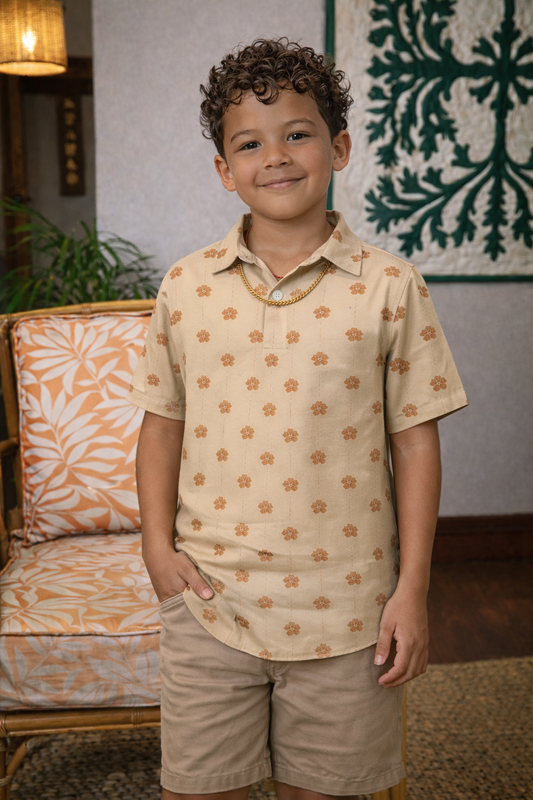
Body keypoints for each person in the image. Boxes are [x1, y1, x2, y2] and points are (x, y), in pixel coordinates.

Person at [129, 38, 468, 800]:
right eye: (249, 142)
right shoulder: (185, 286)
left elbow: (415, 443)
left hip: (351, 607)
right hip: (209, 597)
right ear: (224, 170)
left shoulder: (389, 286)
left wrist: (411, 589)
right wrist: (156, 544)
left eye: (297, 133)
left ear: (338, 146)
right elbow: (161, 423)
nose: (275, 156)